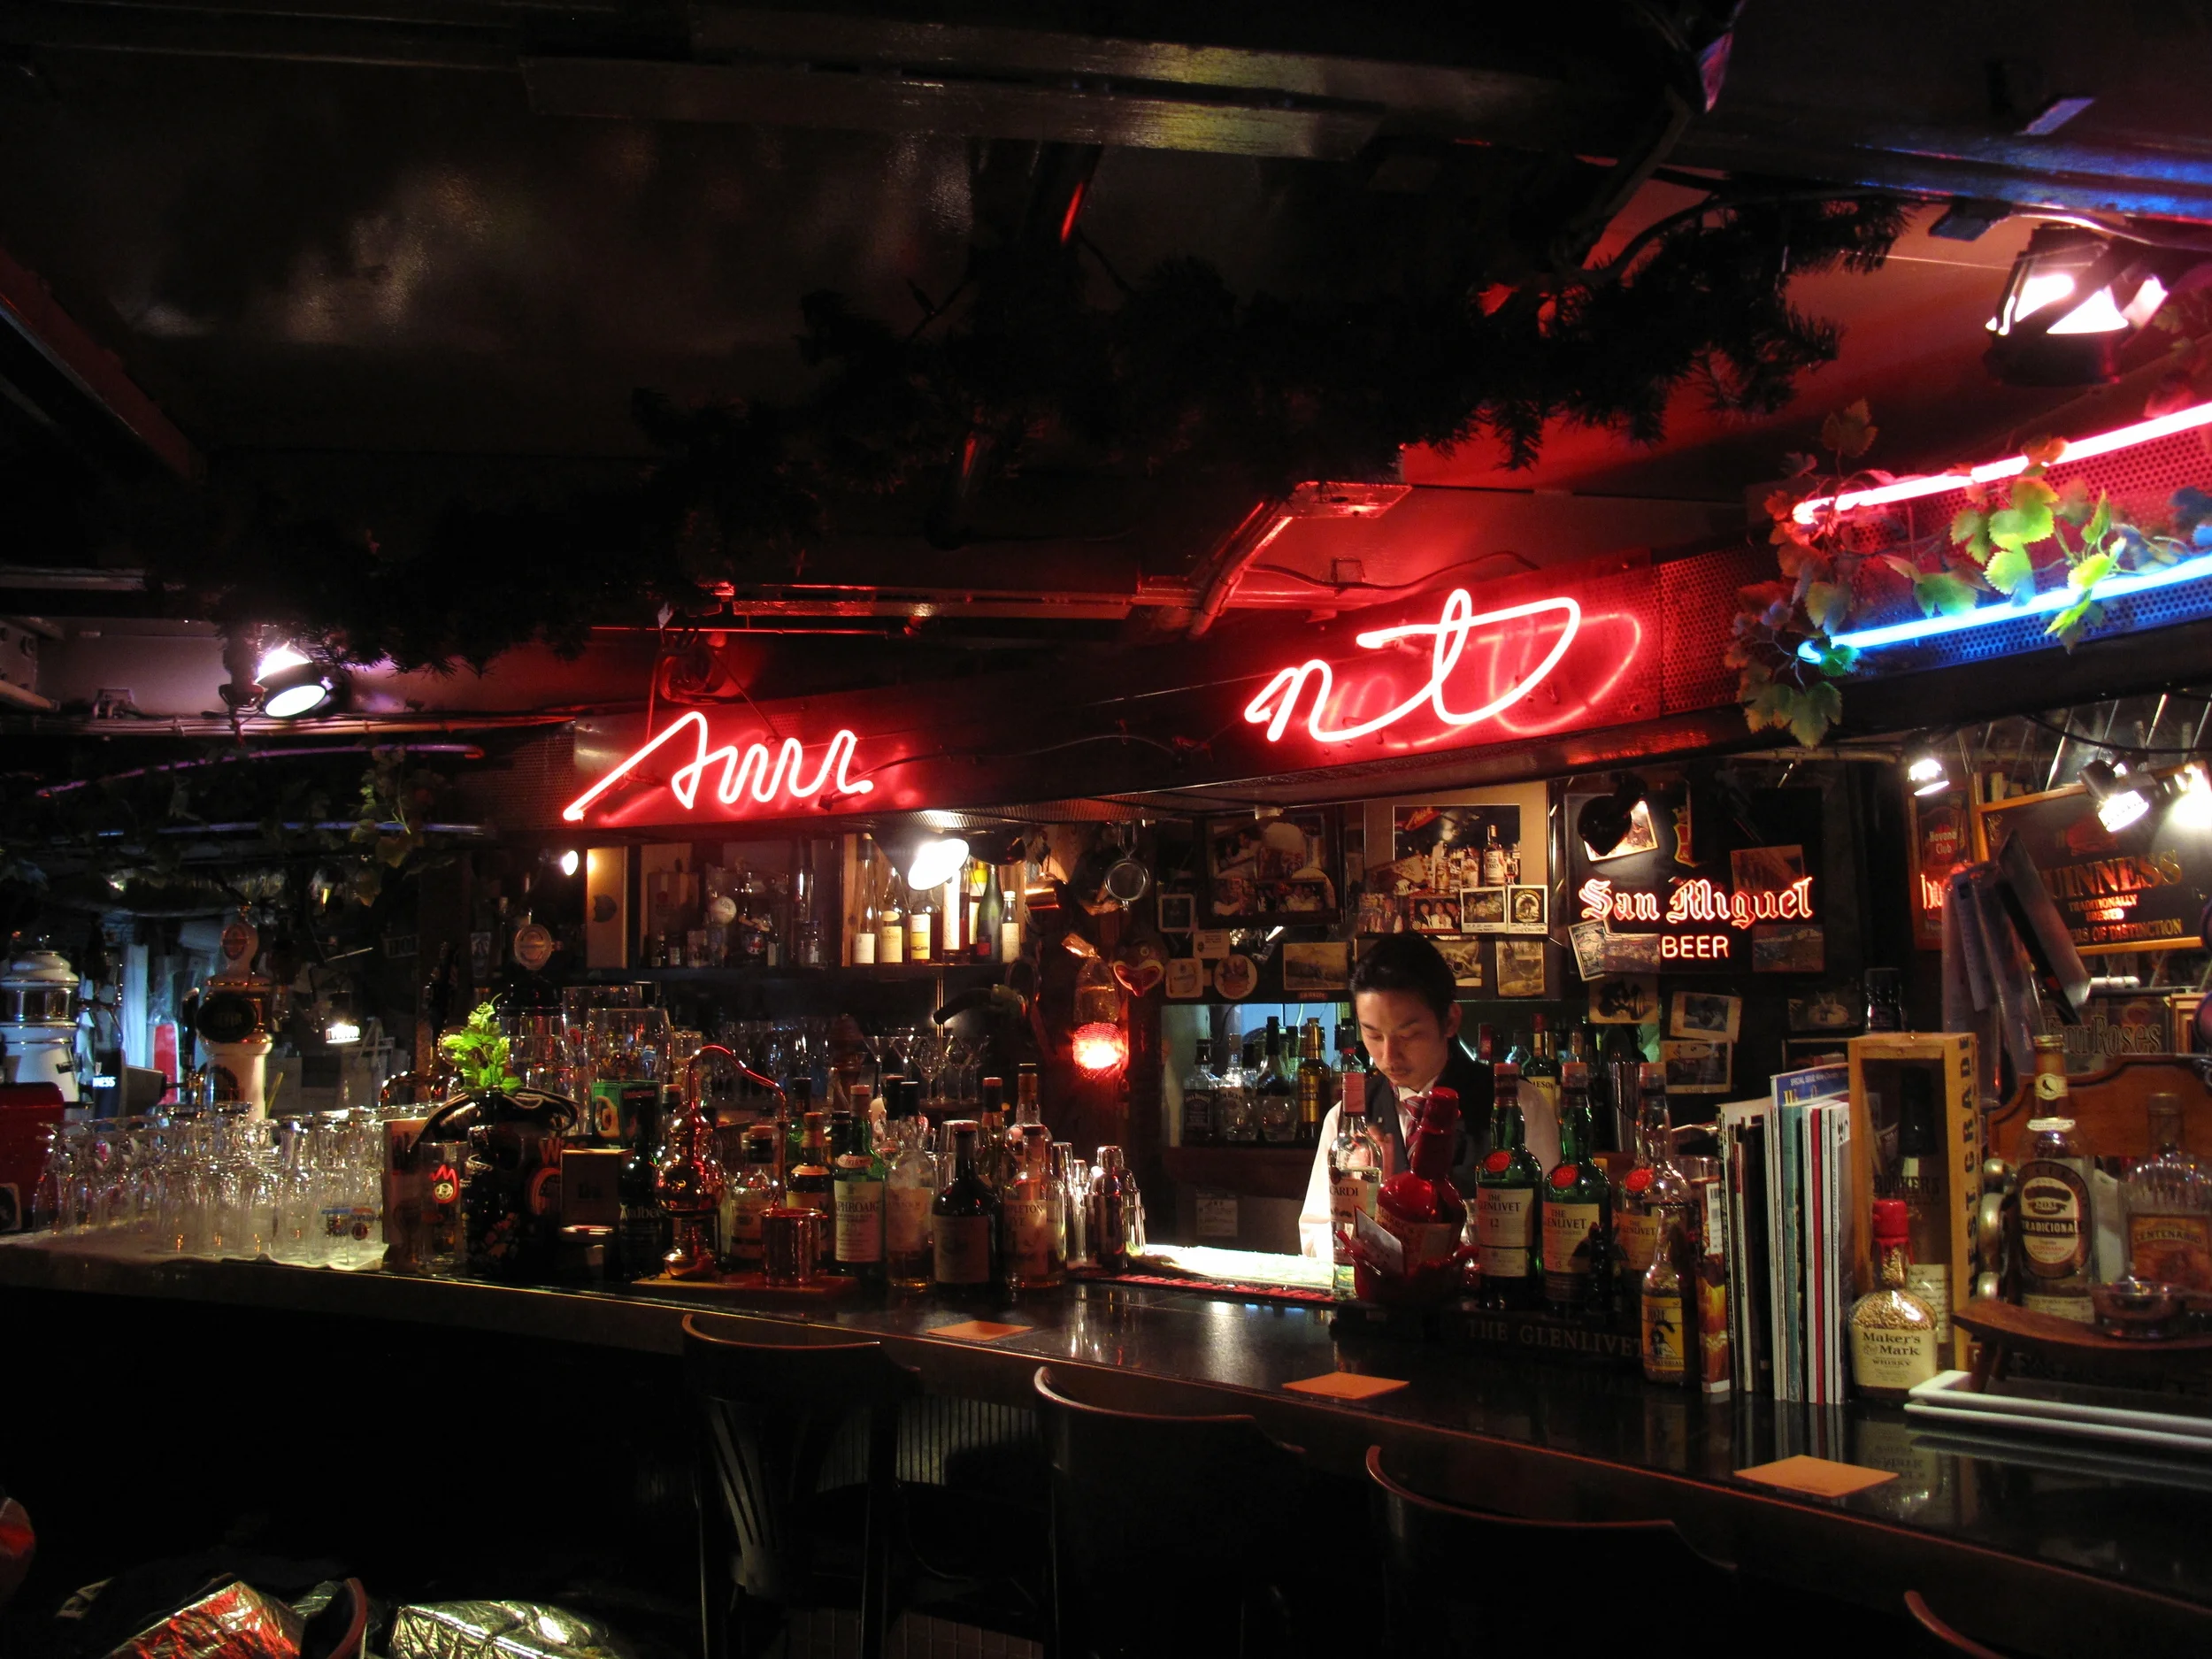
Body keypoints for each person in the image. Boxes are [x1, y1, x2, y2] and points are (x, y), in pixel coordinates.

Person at [1297, 932, 1489, 1259]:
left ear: (1450, 1020)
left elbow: (1541, 1231)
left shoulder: (1512, 1105)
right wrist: (1369, 1227)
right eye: (1372, 1034)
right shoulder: (1347, 1118)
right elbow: (1314, 1235)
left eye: (1409, 1035)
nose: (1388, 1056)